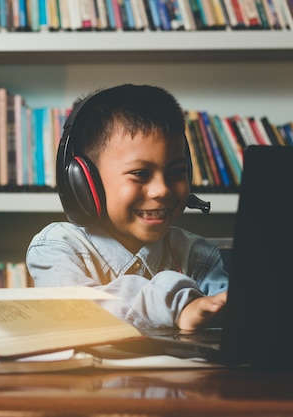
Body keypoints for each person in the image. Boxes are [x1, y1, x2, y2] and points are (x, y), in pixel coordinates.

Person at [26, 84, 228, 331]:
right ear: (84, 181)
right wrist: (178, 304)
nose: (162, 190)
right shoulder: (57, 247)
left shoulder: (198, 255)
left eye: (176, 172)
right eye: (140, 174)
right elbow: (79, 313)